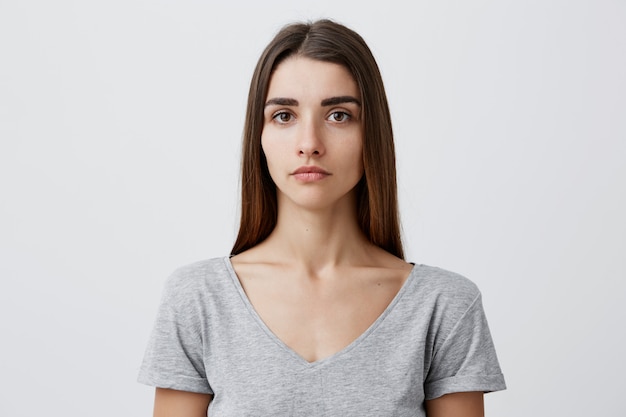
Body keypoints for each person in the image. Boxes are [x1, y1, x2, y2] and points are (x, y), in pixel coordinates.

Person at [138, 19, 506, 416]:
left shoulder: (444, 305)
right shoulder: (197, 298)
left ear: (372, 133)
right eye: (284, 116)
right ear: (258, 136)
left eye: (338, 115)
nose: (309, 144)